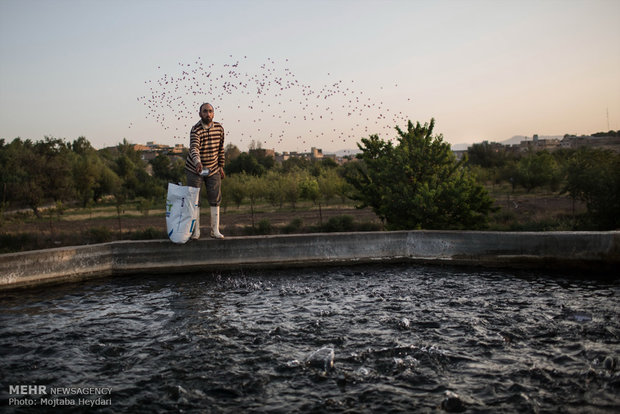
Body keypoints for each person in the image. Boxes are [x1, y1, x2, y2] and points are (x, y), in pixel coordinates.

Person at [184, 102, 226, 239]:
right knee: (195, 199)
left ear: (213, 113)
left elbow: (221, 148)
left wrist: (221, 166)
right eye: (205, 111)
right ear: (200, 114)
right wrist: (198, 162)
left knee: (215, 198)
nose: (208, 114)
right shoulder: (196, 129)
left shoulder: (219, 128)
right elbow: (194, 148)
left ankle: (215, 230)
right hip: (195, 168)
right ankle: (195, 231)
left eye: (210, 111)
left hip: (213, 168)